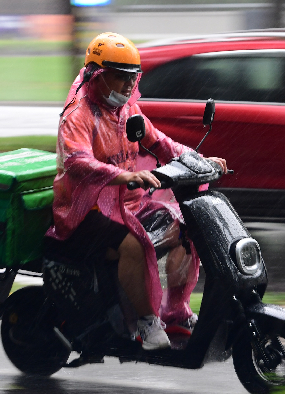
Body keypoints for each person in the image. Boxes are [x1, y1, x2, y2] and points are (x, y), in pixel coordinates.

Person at [44, 32, 227, 350]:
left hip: (127, 203)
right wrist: (126, 176)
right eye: (120, 77)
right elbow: (76, 162)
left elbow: (160, 143)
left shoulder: (127, 111)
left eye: (132, 77)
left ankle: (175, 310)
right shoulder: (78, 115)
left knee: (185, 229)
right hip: (85, 210)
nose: (128, 85)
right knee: (132, 246)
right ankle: (146, 321)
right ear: (96, 75)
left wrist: (199, 161)